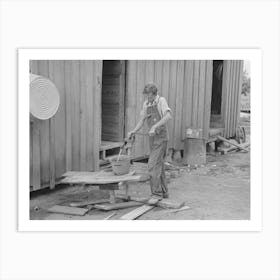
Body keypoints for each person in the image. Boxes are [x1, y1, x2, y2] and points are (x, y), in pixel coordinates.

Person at [128, 83, 172, 199]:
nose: (148, 98)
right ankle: (164, 192)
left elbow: (168, 116)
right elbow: (142, 120)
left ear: (154, 93)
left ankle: (156, 194)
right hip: (152, 138)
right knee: (159, 166)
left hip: (161, 138)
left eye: (149, 96)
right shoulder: (146, 104)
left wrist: (155, 127)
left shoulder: (161, 101)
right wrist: (133, 131)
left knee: (152, 165)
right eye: (146, 96)